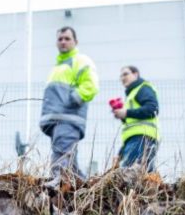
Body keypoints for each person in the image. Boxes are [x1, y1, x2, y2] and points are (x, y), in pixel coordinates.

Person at [39, 26, 98, 179]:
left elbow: (90, 85)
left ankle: (56, 192)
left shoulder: (80, 61)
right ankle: (85, 191)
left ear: (75, 41)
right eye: (60, 39)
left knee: (61, 160)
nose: (63, 42)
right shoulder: (58, 67)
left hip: (67, 119)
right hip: (57, 120)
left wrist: (73, 100)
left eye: (67, 38)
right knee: (70, 165)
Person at [112, 66, 159, 170]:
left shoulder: (142, 88)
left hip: (142, 138)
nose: (122, 78)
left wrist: (126, 113)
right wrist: (121, 152)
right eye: (121, 76)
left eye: (125, 74)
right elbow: (132, 125)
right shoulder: (132, 94)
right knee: (141, 174)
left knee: (131, 175)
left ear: (136, 74)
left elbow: (152, 109)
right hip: (136, 139)